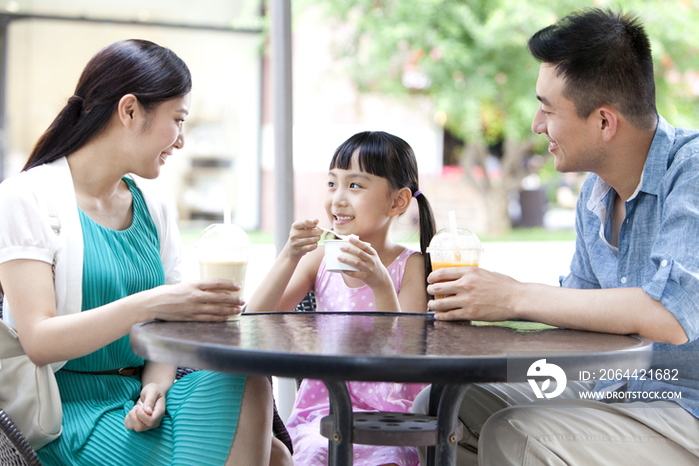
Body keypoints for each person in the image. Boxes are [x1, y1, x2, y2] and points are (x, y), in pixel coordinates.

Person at [418, 7, 699, 465]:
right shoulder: (596, 193)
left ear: (605, 122)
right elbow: (580, 327)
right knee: (442, 406)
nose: (536, 125)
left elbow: (670, 313)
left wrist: (513, 297)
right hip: (612, 393)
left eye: (547, 109)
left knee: (519, 435)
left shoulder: (691, 169)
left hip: (685, 410)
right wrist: (481, 317)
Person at [0, 39, 291, 466]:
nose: (182, 140)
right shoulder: (25, 198)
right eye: (178, 119)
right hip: (67, 414)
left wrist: (157, 384)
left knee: (251, 387)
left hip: (141, 399)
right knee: (274, 455)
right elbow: (40, 341)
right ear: (130, 110)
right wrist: (154, 301)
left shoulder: (153, 204)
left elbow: (167, 331)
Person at [246, 131, 437, 466]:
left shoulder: (412, 266)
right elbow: (255, 317)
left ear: (398, 201)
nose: (337, 198)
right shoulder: (320, 256)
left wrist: (380, 285)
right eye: (332, 183)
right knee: (314, 453)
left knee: (387, 460)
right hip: (323, 412)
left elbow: (402, 357)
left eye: (355, 185)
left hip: (390, 417)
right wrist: (289, 255)